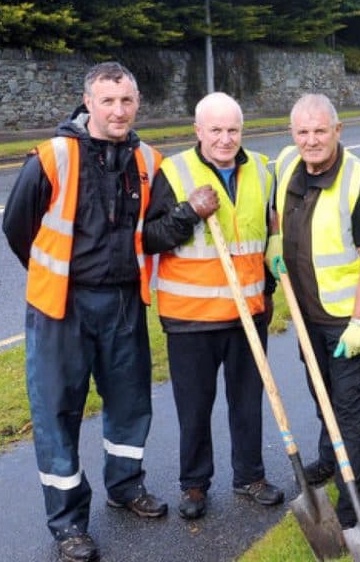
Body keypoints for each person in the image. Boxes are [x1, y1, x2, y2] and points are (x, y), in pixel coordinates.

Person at [3, 62, 167, 562]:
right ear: (88, 102)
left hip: (122, 304)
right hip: (62, 307)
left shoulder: (149, 160)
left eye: (127, 101)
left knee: (131, 401)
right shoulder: (54, 156)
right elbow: (17, 227)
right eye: (108, 101)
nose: (118, 110)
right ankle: (69, 522)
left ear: (137, 103)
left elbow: (156, 230)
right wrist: (54, 279)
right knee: (57, 412)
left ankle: (125, 484)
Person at [142, 92, 283, 521]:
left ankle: (249, 477)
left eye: (233, 130)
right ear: (198, 131)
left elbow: (265, 233)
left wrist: (269, 288)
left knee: (248, 400)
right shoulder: (174, 171)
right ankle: (195, 485)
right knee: (195, 407)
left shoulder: (261, 168)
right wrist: (188, 213)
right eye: (216, 130)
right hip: (191, 317)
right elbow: (149, 238)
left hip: (248, 313)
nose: (225, 139)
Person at [267, 93, 360, 530]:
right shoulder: (284, 163)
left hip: (349, 319)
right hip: (306, 313)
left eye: (321, 131)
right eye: (303, 131)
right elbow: (277, 213)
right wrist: (275, 242)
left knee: (350, 409)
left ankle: (355, 500)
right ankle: (328, 458)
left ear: (338, 131)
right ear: (292, 133)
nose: (311, 140)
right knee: (323, 396)